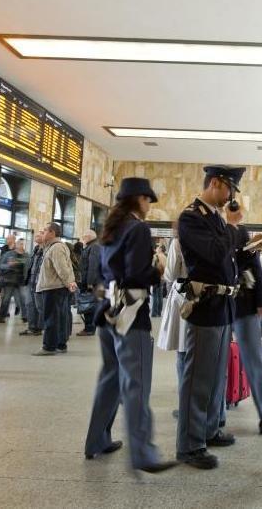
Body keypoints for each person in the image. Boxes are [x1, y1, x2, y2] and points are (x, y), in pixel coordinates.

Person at [84, 177, 176, 474]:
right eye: (148, 200)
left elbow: (101, 274)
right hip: (131, 315)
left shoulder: (110, 230)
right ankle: (143, 452)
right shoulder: (137, 228)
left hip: (108, 311)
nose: (149, 205)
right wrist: (158, 271)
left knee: (109, 378)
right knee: (134, 383)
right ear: (138, 199)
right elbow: (138, 274)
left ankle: (96, 440)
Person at [176, 165, 244, 470]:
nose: (231, 197)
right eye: (230, 189)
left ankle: (211, 427)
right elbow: (214, 254)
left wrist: (248, 247)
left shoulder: (215, 218)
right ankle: (190, 445)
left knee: (217, 376)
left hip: (223, 307)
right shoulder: (191, 217)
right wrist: (231, 227)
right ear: (216, 183)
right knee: (198, 378)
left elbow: (227, 257)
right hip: (205, 308)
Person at [230, 223, 262, 435]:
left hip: (244, 308)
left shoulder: (241, 236)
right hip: (218, 307)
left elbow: (255, 270)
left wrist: (261, 302)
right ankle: (218, 409)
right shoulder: (214, 231)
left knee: (254, 362)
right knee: (217, 362)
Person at [32, 223, 77, 355]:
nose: (42, 232)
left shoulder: (56, 248)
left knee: (51, 318)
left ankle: (49, 347)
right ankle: (60, 344)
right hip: (56, 287)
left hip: (54, 288)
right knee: (59, 317)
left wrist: (70, 283)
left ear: (52, 233)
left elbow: (62, 268)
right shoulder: (51, 247)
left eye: (45, 230)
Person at [157, 233, 189, 409]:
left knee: (183, 350)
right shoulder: (215, 235)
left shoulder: (179, 242)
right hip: (211, 298)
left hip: (184, 296)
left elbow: (170, 274)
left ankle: (185, 402)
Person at [77, 230, 102, 336]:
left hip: (91, 282)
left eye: (84, 236)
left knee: (89, 305)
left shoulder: (94, 247)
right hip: (88, 280)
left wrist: (90, 282)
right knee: (89, 304)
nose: (83, 238)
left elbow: (93, 266)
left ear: (89, 237)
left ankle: (89, 328)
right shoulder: (92, 246)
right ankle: (89, 327)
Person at [0, 236, 28, 323]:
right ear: (16, 244)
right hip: (9, 280)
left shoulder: (26, 256)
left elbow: (28, 268)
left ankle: (25, 316)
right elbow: (0, 265)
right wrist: (9, 265)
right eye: (20, 243)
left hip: (21, 281)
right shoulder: (9, 254)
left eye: (23, 244)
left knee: (23, 298)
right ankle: (2, 316)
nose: (21, 245)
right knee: (6, 299)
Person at [19, 234, 44, 337]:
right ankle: (32, 327)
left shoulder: (47, 249)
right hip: (31, 281)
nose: (37, 235)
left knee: (39, 307)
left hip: (40, 282)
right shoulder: (36, 249)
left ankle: (38, 328)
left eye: (41, 233)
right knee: (29, 304)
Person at [150, 244, 167, 317]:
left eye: (157, 247)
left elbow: (152, 266)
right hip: (163, 277)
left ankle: (154, 312)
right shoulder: (165, 256)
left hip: (156, 277)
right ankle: (159, 312)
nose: (156, 249)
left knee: (155, 295)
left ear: (160, 249)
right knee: (160, 295)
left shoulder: (156, 256)